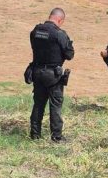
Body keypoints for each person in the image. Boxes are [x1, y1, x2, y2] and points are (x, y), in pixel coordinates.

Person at [29, 8, 74, 142]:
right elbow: (69, 54)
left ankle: (35, 134)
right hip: (53, 75)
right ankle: (56, 137)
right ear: (60, 20)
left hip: (37, 72)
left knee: (38, 104)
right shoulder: (59, 34)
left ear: (50, 16)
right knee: (55, 105)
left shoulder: (35, 31)